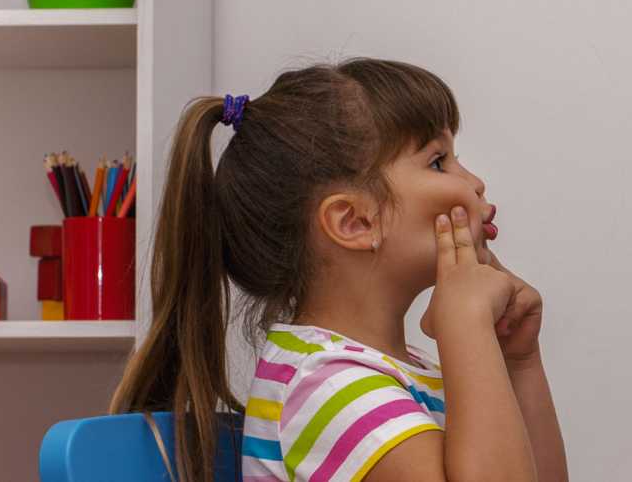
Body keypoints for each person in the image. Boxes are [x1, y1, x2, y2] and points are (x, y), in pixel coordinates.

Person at [111, 58, 568, 482]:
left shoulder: (389, 374)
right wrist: (467, 328)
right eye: (437, 160)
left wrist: (518, 360)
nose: (472, 182)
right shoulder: (326, 387)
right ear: (355, 221)